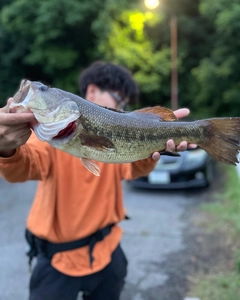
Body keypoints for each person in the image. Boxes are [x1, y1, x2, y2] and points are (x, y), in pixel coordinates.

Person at [0, 61, 192, 300]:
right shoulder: (48, 136)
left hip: (108, 253)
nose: (123, 109)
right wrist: (6, 149)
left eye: (125, 105)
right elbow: (22, 167)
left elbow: (134, 169)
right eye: (118, 101)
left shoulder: (117, 139)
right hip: (57, 262)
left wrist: (157, 147)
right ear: (92, 92)